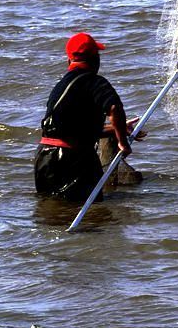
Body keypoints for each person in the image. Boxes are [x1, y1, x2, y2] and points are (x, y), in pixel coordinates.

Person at [34, 32, 136, 202]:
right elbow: (114, 108)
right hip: (73, 161)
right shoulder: (95, 82)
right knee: (90, 214)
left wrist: (117, 129)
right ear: (96, 60)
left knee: (52, 211)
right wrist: (123, 143)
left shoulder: (60, 87)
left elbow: (71, 130)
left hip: (44, 159)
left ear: (69, 61)